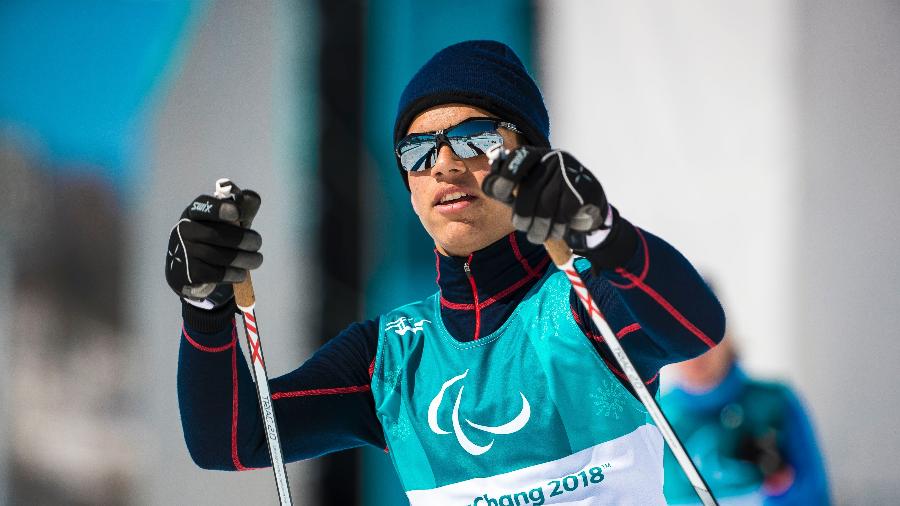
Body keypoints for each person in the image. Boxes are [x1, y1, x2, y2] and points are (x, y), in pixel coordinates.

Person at [166, 40, 725, 504]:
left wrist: (606, 234)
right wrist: (206, 307)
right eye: (418, 152)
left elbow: (696, 328)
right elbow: (228, 440)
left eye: (474, 138)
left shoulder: (582, 301)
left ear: (528, 158)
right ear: (408, 186)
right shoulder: (389, 358)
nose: (447, 165)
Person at [662, 337, 830, 505]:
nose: (695, 354)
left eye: (704, 339)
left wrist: (778, 492)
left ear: (726, 339)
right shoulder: (657, 417)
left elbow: (814, 492)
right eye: (682, 339)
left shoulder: (773, 401)